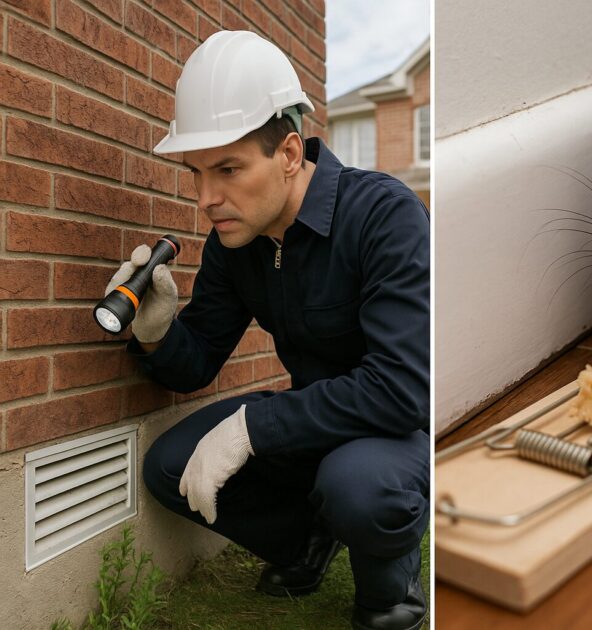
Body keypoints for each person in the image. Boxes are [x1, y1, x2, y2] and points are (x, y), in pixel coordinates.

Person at [108, 30, 429, 630]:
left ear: (288, 152)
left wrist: (253, 428)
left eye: (228, 169)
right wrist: (156, 332)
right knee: (170, 466)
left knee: (358, 484)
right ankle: (307, 543)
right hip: (314, 420)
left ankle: (392, 595)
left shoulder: (385, 217)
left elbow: (402, 390)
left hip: (393, 432)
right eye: (196, 173)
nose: (206, 199)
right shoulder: (236, 244)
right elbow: (196, 362)